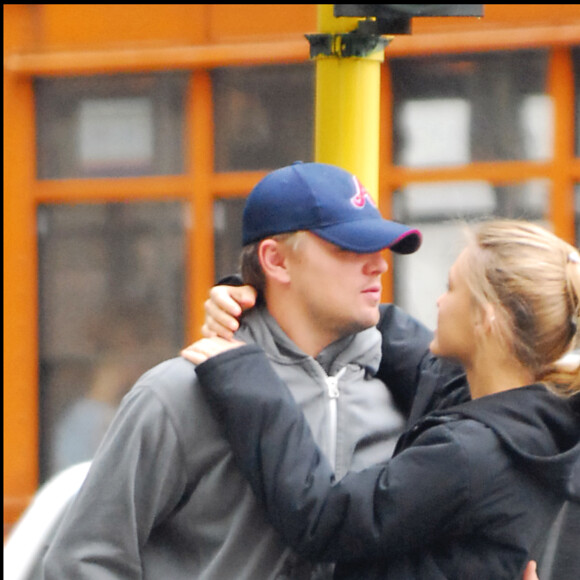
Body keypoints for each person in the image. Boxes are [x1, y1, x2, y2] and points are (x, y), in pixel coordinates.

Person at [42, 161, 437, 580]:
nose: (379, 265)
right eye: (349, 247)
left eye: (380, 248)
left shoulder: (410, 390)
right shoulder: (176, 393)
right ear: (276, 260)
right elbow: (82, 562)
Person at [182, 219, 580, 579]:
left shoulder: (467, 454)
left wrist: (245, 376)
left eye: (452, 288)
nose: (439, 302)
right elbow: (407, 347)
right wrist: (262, 293)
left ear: (486, 319)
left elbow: (322, 518)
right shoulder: (530, 421)